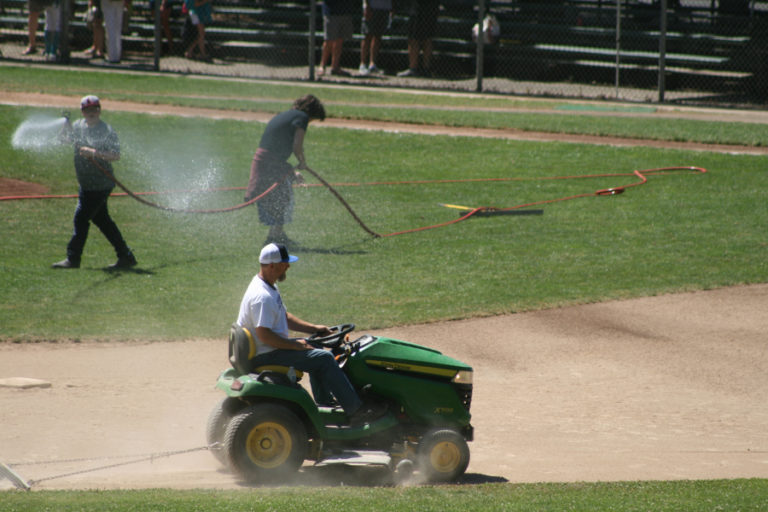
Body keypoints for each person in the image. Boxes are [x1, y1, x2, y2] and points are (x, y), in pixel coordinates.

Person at [236, 242, 386, 425]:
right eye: (285, 263)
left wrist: (315, 328)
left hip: (267, 350)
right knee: (324, 358)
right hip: (266, 355)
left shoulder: (266, 285)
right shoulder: (262, 297)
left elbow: (284, 316)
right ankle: (356, 411)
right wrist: (295, 344)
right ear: (272, 266)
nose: (288, 266)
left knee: (315, 347)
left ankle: (325, 403)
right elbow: (265, 335)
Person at [52, 95, 137, 270]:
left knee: (81, 218)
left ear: (100, 110)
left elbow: (115, 155)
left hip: (100, 185)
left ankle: (73, 258)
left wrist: (94, 152)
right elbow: (63, 141)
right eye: (87, 110)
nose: (92, 113)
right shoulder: (78, 126)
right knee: (102, 220)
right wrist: (65, 128)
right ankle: (126, 256)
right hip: (86, 184)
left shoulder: (106, 130)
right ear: (82, 112)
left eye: (95, 109)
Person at [244, 94, 325, 246]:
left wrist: (293, 172)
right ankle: (274, 237)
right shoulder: (302, 117)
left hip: (269, 160)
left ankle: (277, 235)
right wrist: (302, 161)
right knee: (280, 196)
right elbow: (297, 146)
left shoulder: (288, 115)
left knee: (281, 195)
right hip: (268, 161)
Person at [397, 0, 440, 77]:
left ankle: (418, 68)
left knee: (422, 39)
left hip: (423, 10)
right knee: (418, 38)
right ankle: (420, 68)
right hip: (424, 9)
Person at [318, 0, 355, 76]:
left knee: (340, 40)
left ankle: (335, 67)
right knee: (329, 40)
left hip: (345, 12)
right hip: (331, 12)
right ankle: (322, 66)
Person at [358, 0, 391, 75]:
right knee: (368, 35)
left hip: (384, 8)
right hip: (371, 7)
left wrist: (392, 6)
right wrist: (367, 6)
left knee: (378, 36)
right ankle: (363, 64)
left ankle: (372, 64)